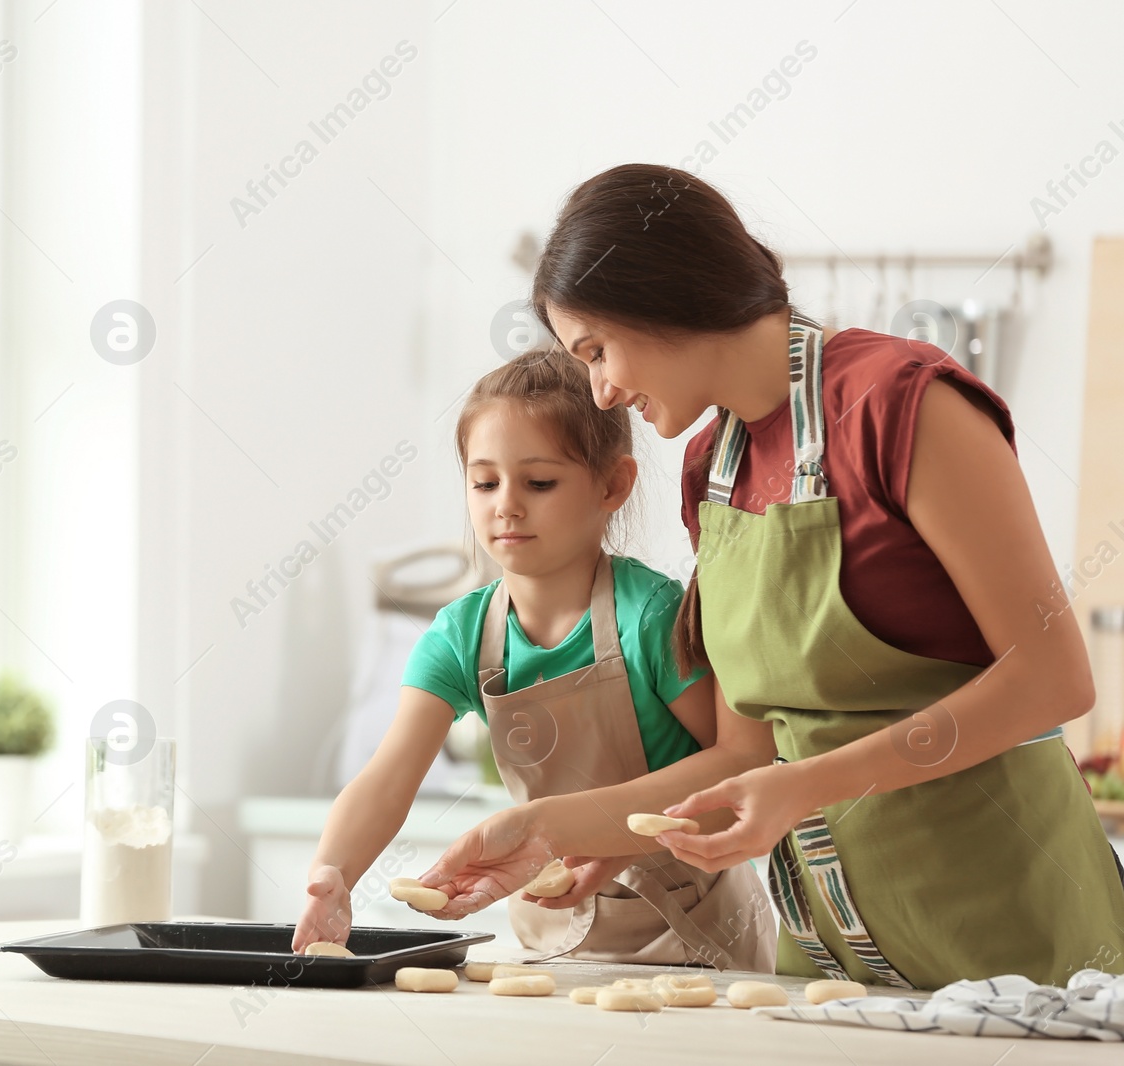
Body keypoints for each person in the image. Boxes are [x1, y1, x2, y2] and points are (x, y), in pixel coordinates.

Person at [414, 163, 1124, 990]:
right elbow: (743, 754)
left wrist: (808, 785)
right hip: (828, 967)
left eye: (598, 350)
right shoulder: (709, 471)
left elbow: (1053, 680)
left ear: (664, 294)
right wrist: (544, 827)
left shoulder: (903, 405)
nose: (601, 391)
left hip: (1012, 944)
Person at [293, 347, 776, 970]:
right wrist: (332, 874)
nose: (507, 505)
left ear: (613, 485)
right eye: (485, 482)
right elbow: (387, 779)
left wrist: (606, 837)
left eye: (539, 483)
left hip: (696, 936)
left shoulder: (650, 614)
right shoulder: (461, 635)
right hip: (551, 941)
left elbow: (735, 772)